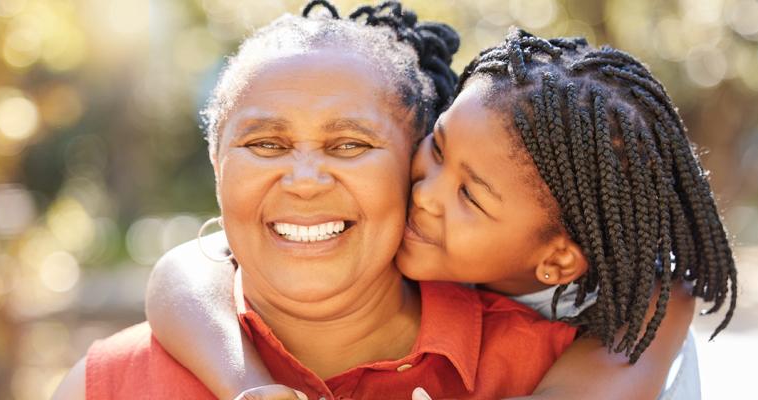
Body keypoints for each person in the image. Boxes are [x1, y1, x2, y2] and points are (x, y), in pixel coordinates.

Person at [143, 11, 737, 400]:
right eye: (438, 146)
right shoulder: (410, 229)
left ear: (557, 260)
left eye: (469, 196)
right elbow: (186, 269)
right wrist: (249, 386)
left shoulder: (640, 320)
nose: (423, 192)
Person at [52, 2, 581, 400]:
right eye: (266, 145)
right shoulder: (111, 383)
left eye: (350, 144)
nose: (304, 181)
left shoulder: (551, 369)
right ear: (218, 169)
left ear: (413, 166)